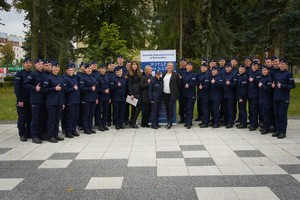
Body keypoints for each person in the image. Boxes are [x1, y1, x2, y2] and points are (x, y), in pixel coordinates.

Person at [272, 58, 296, 139]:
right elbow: (275, 83)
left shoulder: (288, 74)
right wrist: (273, 85)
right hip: (276, 97)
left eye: (283, 64)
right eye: (280, 64)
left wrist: (282, 86)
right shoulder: (277, 73)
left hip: (284, 98)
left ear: (286, 65)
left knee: (282, 115)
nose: (281, 65)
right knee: (277, 114)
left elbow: (292, 85)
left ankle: (283, 131)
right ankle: (278, 130)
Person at [43, 60, 65, 143]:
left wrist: (62, 102)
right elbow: (44, 89)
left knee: (57, 119)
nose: (57, 69)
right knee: (51, 119)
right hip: (51, 102)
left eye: (58, 67)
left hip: (59, 102)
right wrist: (54, 89)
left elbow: (62, 92)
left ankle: (56, 134)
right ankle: (50, 135)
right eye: (55, 67)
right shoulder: (48, 78)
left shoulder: (60, 78)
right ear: (52, 68)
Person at [24, 58, 44, 144]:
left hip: (43, 100)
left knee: (41, 118)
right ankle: (34, 136)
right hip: (35, 100)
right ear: (35, 65)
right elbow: (25, 84)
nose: (41, 65)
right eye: (39, 64)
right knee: (35, 119)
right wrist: (34, 88)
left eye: (42, 64)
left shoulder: (44, 74)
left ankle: (40, 134)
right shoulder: (33, 74)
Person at [14, 57, 32, 142]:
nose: (28, 64)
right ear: (23, 64)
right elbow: (17, 88)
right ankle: (22, 134)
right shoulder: (19, 74)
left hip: (30, 99)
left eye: (29, 63)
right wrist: (20, 100)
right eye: (26, 63)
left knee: (29, 117)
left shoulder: (32, 73)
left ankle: (28, 133)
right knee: (22, 118)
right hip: (22, 99)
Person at [79, 63, 98, 134]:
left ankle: (90, 127)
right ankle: (86, 128)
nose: (89, 70)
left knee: (91, 114)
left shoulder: (93, 77)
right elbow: (81, 88)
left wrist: (96, 98)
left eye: (90, 68)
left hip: (92, 98)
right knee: (86, 114)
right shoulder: (83, 78)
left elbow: (96, 89)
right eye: (88, 68)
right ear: (85, 69)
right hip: (86, 99)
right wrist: (90, 88)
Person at [162, 62, 181, 129]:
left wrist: (176, 92)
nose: (170, 67)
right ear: (167, 67)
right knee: (167, 108)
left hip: (172, 94)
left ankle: (170, 122)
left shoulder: (176, 74)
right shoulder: (164, 74)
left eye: (172, 66)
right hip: (165, 94)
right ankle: (168, 121)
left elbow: (179, 85)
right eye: (169, 66)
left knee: (170, 108)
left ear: (173, 67)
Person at [64, 63, 80, 138]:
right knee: (70, 116)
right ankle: (68, 131)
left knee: (75, 116)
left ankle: (74, 130)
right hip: (70, 100)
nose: (71, 71)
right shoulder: (65, 79)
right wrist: (73, 89)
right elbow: (65, 90)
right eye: (69, 70)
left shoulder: (74, 78)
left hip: (76, 100)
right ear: (67, 71)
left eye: (72, 70)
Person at [181, 61, 196, 129]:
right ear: (186, 66)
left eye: (191, 66)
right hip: (184, 94)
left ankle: (189, 123)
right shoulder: (183, 74)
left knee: (190, 108)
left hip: (191, 94)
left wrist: (189, 85)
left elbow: (193, 83)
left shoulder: (193, 75)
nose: (189, 67)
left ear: (192, 68)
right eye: (188, 66)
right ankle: (188, 121)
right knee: (186, 108)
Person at [258, 65, 273, 134]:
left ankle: (266, 128)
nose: (263, 71)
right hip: (261, 99)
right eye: (262, 70)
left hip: (266, 99)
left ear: (268, 71)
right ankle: (264, 126)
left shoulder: (269, 79)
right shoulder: (262, 78)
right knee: (262, 114)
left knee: (266, 114)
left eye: (265, 70)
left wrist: (262, 86)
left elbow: (269, 89)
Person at [128, 61, 142, 128]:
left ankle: (132, 121)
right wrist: (131, 94)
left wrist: (143, 72)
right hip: (133, 93)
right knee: (134, 108)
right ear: (131, 66)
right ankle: (133, 122)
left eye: (136, 65)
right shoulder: (130, 73)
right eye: (133, 65)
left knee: (139, 107)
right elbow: (129, 84)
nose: (134, 66)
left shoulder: (138, 73)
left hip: (139, 92)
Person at [96, 63, 110, 131]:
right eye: (102, 69)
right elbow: (96, 89)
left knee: (105, 111)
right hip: (100, 97)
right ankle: (100, 125)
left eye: (104, 69)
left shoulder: (106, 77)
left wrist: (109, 97)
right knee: (99, 112)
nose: (103, 70)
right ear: (99, 69)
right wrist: (103, 91)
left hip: (106, 97)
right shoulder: (98, 78)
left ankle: (104, 124)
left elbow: (109, 88)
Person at [222, 62, 237, 128]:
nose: (227, 68)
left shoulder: (233, 75)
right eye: (226, 67)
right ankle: (226, 121)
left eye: (229, 67)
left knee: (230, 109)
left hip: (230, 95)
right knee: (225, 109)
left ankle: (230, 122)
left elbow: (235, 85)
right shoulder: (223, 75)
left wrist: (230, 83)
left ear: (231, 68)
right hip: (224, 94)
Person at [248, 60, 261, 131]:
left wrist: (253, 80)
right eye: (253, 66)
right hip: (250, 94)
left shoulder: (259, 73)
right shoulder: (251, 73)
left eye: (255, 66)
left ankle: (254, 124)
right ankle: (252, 122)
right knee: (251, 109)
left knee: (254, 110)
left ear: (258, 66)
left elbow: (258, 82)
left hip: (255, 95)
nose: (254, 67)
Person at [197, 63, 210, 128]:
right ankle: (203, 121)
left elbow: (207, 85)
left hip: (205, 94)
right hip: (201, 94)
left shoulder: (206, 75)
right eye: (202, 67)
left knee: (205, 109)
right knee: (202, 109)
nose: (203, 68)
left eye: (204, 67)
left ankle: (205, 123)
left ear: (206, 68)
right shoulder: (200, 75)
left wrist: (203, 87)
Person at [236, 64, 248, 129]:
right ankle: (241, 122)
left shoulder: (244, 77)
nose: (240, 70)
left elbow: (244, 89)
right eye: (240, 69)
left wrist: (241, 97)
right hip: (239, 96)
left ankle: (244, 123)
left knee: (243, 110)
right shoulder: (240, 76)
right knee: (240, 110)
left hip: (242, 97)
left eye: (242, 69)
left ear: (244, 70)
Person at [106, 61, 116, 126]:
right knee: (108, 108)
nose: (111, 67)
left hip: (115, 93)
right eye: (110, 66)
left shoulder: (116, 73)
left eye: (112, 66)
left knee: (115, 108)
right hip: (108, 92)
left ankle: (115, 121)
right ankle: (108, 120)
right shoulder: (106, 74)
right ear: (108, 67)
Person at [76, 62, 85, 130]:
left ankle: (84, 124)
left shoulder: (88, 74)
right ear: (80, 67)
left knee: (84, 111)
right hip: (80, 94)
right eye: (83, 66)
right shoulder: (78, 75)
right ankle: (79, 124)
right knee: (80, 110)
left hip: (86, 95)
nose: (84, 68)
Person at [178, 57, 187, 123]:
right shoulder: (178, 71)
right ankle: (182, 118)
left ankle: (187, 117)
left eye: (183, 62)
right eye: (181, 62)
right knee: (181, 105)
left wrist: (182, 78)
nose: (182, 63)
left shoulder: (187, 70)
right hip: (180, 91)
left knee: (186, 105)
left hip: (186, 91)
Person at [124, 60, 131, 125]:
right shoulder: (123, 72)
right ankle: (125, 119)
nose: (128, 66)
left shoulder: (132, 72)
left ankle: (130, 119)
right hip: (125, 92)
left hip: (131, 92)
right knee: (125, 106)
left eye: (129, 65)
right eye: (127, 65)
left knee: (132, 106)